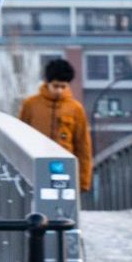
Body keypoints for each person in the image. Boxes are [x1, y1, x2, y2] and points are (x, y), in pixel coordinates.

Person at [18, 58, 93, 192]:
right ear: (47, 83)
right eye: (56, 86)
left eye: (63, 87)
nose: (59, 90)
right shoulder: (30, 105)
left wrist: (83, 181)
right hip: (35, 163)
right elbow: (19, 136)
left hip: (64, 166)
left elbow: (83, 146)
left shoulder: (76, 108)